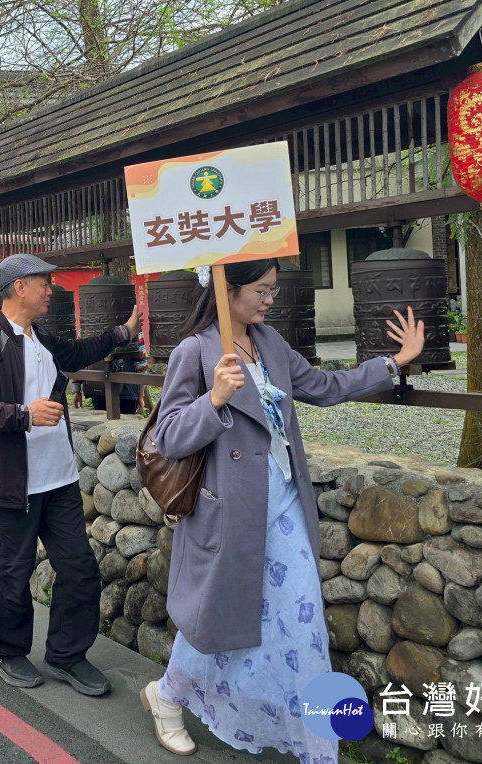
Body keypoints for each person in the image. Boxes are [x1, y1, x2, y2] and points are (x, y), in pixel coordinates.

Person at [138, 258, 424, 758]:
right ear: (228, 288)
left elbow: (325, 387)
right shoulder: (196, 350)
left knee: (303, 627)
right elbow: (169, 437)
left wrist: (394, 362)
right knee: (220, 619)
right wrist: (214, 399)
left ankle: (317, 750)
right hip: (230, 514)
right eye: (262, 290)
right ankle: (167, 695)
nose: (270, 299)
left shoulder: (269, 342)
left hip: (286, 504)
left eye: (273, 289)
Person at [0, 253, 141, 697]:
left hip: (58, 480)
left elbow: (79, 351)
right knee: (13, 573)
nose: (50, 290)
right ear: (19, 287)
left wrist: (124, 332)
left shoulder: (41, 338)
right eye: (44, 282)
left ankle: (66, 655)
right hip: (12, 483)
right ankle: (5, 652)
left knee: (79, 569)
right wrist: (24, 414)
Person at [71, 347, 149, 415]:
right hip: (126, 387)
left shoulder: (86, 333)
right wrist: (141, 395)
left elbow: (78, 357)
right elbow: (141, 363)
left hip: (97, 384)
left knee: (102, 422)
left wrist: (76, 389)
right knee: (126, 423)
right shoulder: (131, 333)